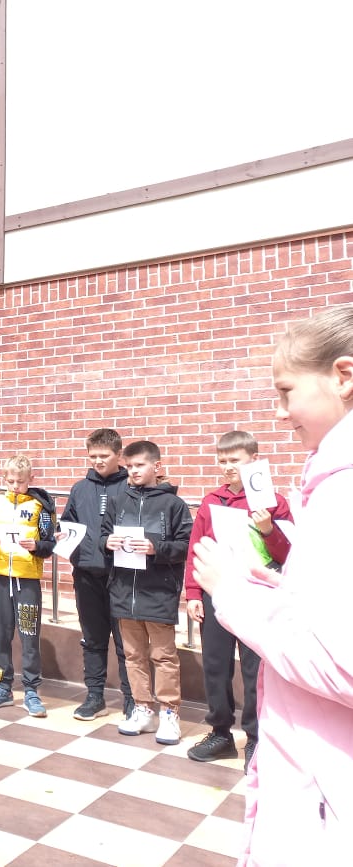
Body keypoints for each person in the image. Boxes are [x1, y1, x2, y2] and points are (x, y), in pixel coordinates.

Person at [193, 305, 353, 863]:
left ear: (343, 376)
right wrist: (277, 588)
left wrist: (235, 595)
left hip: (325, 797)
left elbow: (339, 662)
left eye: (286, 391)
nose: (280, 412)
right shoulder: (327, 482)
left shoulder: (342, 492)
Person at [184, 430, 292, 773]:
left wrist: (268, 529)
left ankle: (256, 738)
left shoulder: (273, 502)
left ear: (254, 461)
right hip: (216, 593)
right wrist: (193, 593)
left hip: (256, 596)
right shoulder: (211, 501)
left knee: (253, 669)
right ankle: (220, 733)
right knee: (215, 666)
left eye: (235, 460)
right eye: (223, 460)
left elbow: (289, 554)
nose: (228, 466)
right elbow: (196, 549)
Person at [100, 440, 192, 745]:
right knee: (133, 655)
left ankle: (169, 713)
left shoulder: (174, 505)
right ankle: (142, 709)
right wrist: (107, 543)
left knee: (163, 656)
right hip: (124, 590)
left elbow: (185, 546)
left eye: (140, 465)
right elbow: (103, 534)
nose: (133, 471)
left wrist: (156, 548)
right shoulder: (118, 501)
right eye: (129, 466)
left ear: (157, 466)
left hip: (158, 591)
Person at [60, 428, 132, 720]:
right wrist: (62, 537)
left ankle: (132, 699)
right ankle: (94, 696)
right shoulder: (80, 489)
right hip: (87, 574)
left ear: (119, 454)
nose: (98, 461)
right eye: (93, 456)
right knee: (92, 639)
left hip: (122, 575)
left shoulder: (130, 485)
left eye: (104, 455)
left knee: (126, 642)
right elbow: (68, 524)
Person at [0, 454, 56, 716]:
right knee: (1, 634)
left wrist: (37, 546)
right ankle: (3, 686)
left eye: (21, 482)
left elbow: (49, 544)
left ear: (30, 479)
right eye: (11, 481)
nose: (15, 486)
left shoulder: (40, 507)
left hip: (27, 581)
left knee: (28, 634)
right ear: (4, 479)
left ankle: (32, 690)